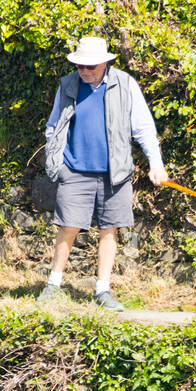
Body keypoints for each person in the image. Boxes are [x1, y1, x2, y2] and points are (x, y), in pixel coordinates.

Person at [39, 36, 168, 309]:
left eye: (90, 67)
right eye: (80, 67)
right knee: (68, 227)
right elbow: (54, 126)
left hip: (115, 173)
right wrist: (58, 160)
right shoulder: (67, 85)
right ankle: (53, 284)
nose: (84, 72)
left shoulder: (125, 84)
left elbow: (143, 127)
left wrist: (155, 164)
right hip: (74, 169)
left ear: (106, 63)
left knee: (109, 230)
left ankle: (102, 290)